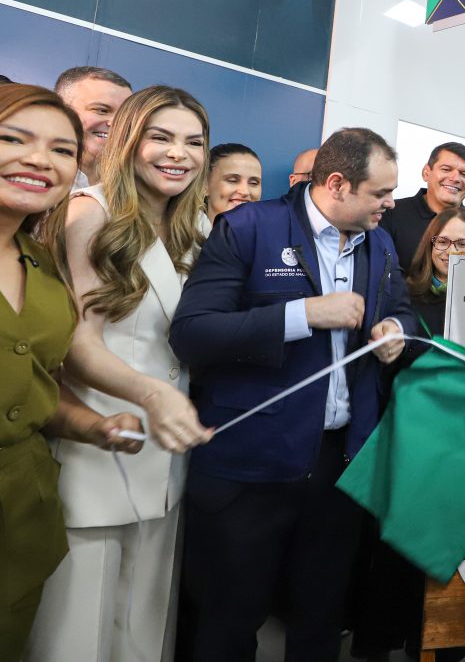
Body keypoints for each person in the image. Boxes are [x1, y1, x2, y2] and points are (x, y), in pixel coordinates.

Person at [168, 126, 415, 662]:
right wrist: (301, 315)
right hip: (250, 466)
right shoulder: (248, 228)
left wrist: (394, 330)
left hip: (338, 465)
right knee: (228, 623)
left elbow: (403, 310)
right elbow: (193, 333)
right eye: (380, 193)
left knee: (320, 620)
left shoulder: (382, 242)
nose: (391, 204)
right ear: (337, 183)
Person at [27, 85, 213, 662]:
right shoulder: (91, 210)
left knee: (144, 625)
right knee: (78, 630)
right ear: (129, 141)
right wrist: (151, 393)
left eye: (194, 142)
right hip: (100, 440)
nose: (178, 154)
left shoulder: (199, 229)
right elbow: (77, 344)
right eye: (161, 137)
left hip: (169, 450)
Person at [0, 84, 142, 660]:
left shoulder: (41, 267)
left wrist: (95, 426)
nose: (40, 160)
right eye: (14, 139)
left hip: (20, 520)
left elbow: (32, 388)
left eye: (62, 149)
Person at [349, 206, 465, 662]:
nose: (452, 251)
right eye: (443, 242)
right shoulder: (404, 296)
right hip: (409, 443)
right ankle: (382, 640)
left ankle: (440, 643)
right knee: (395, 552)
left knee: (449, 550)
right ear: (429, 246)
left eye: (464, 243)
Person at [378, 141, 465, 271]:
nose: (455, 178)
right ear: (426, 173)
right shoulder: (389, 214)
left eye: (464, 174)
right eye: (446, 169)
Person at [53, 66, 132, 188]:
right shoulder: (35, 174)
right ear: (61, 111)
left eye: (125, 115)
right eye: (102, 110)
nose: (118, 123)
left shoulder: (136, 189)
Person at [204, 141, 262, 223]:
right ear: (204, 186)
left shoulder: (271, 234)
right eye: (233, 181)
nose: (245, 191)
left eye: (253, 183)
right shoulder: (181, 235)